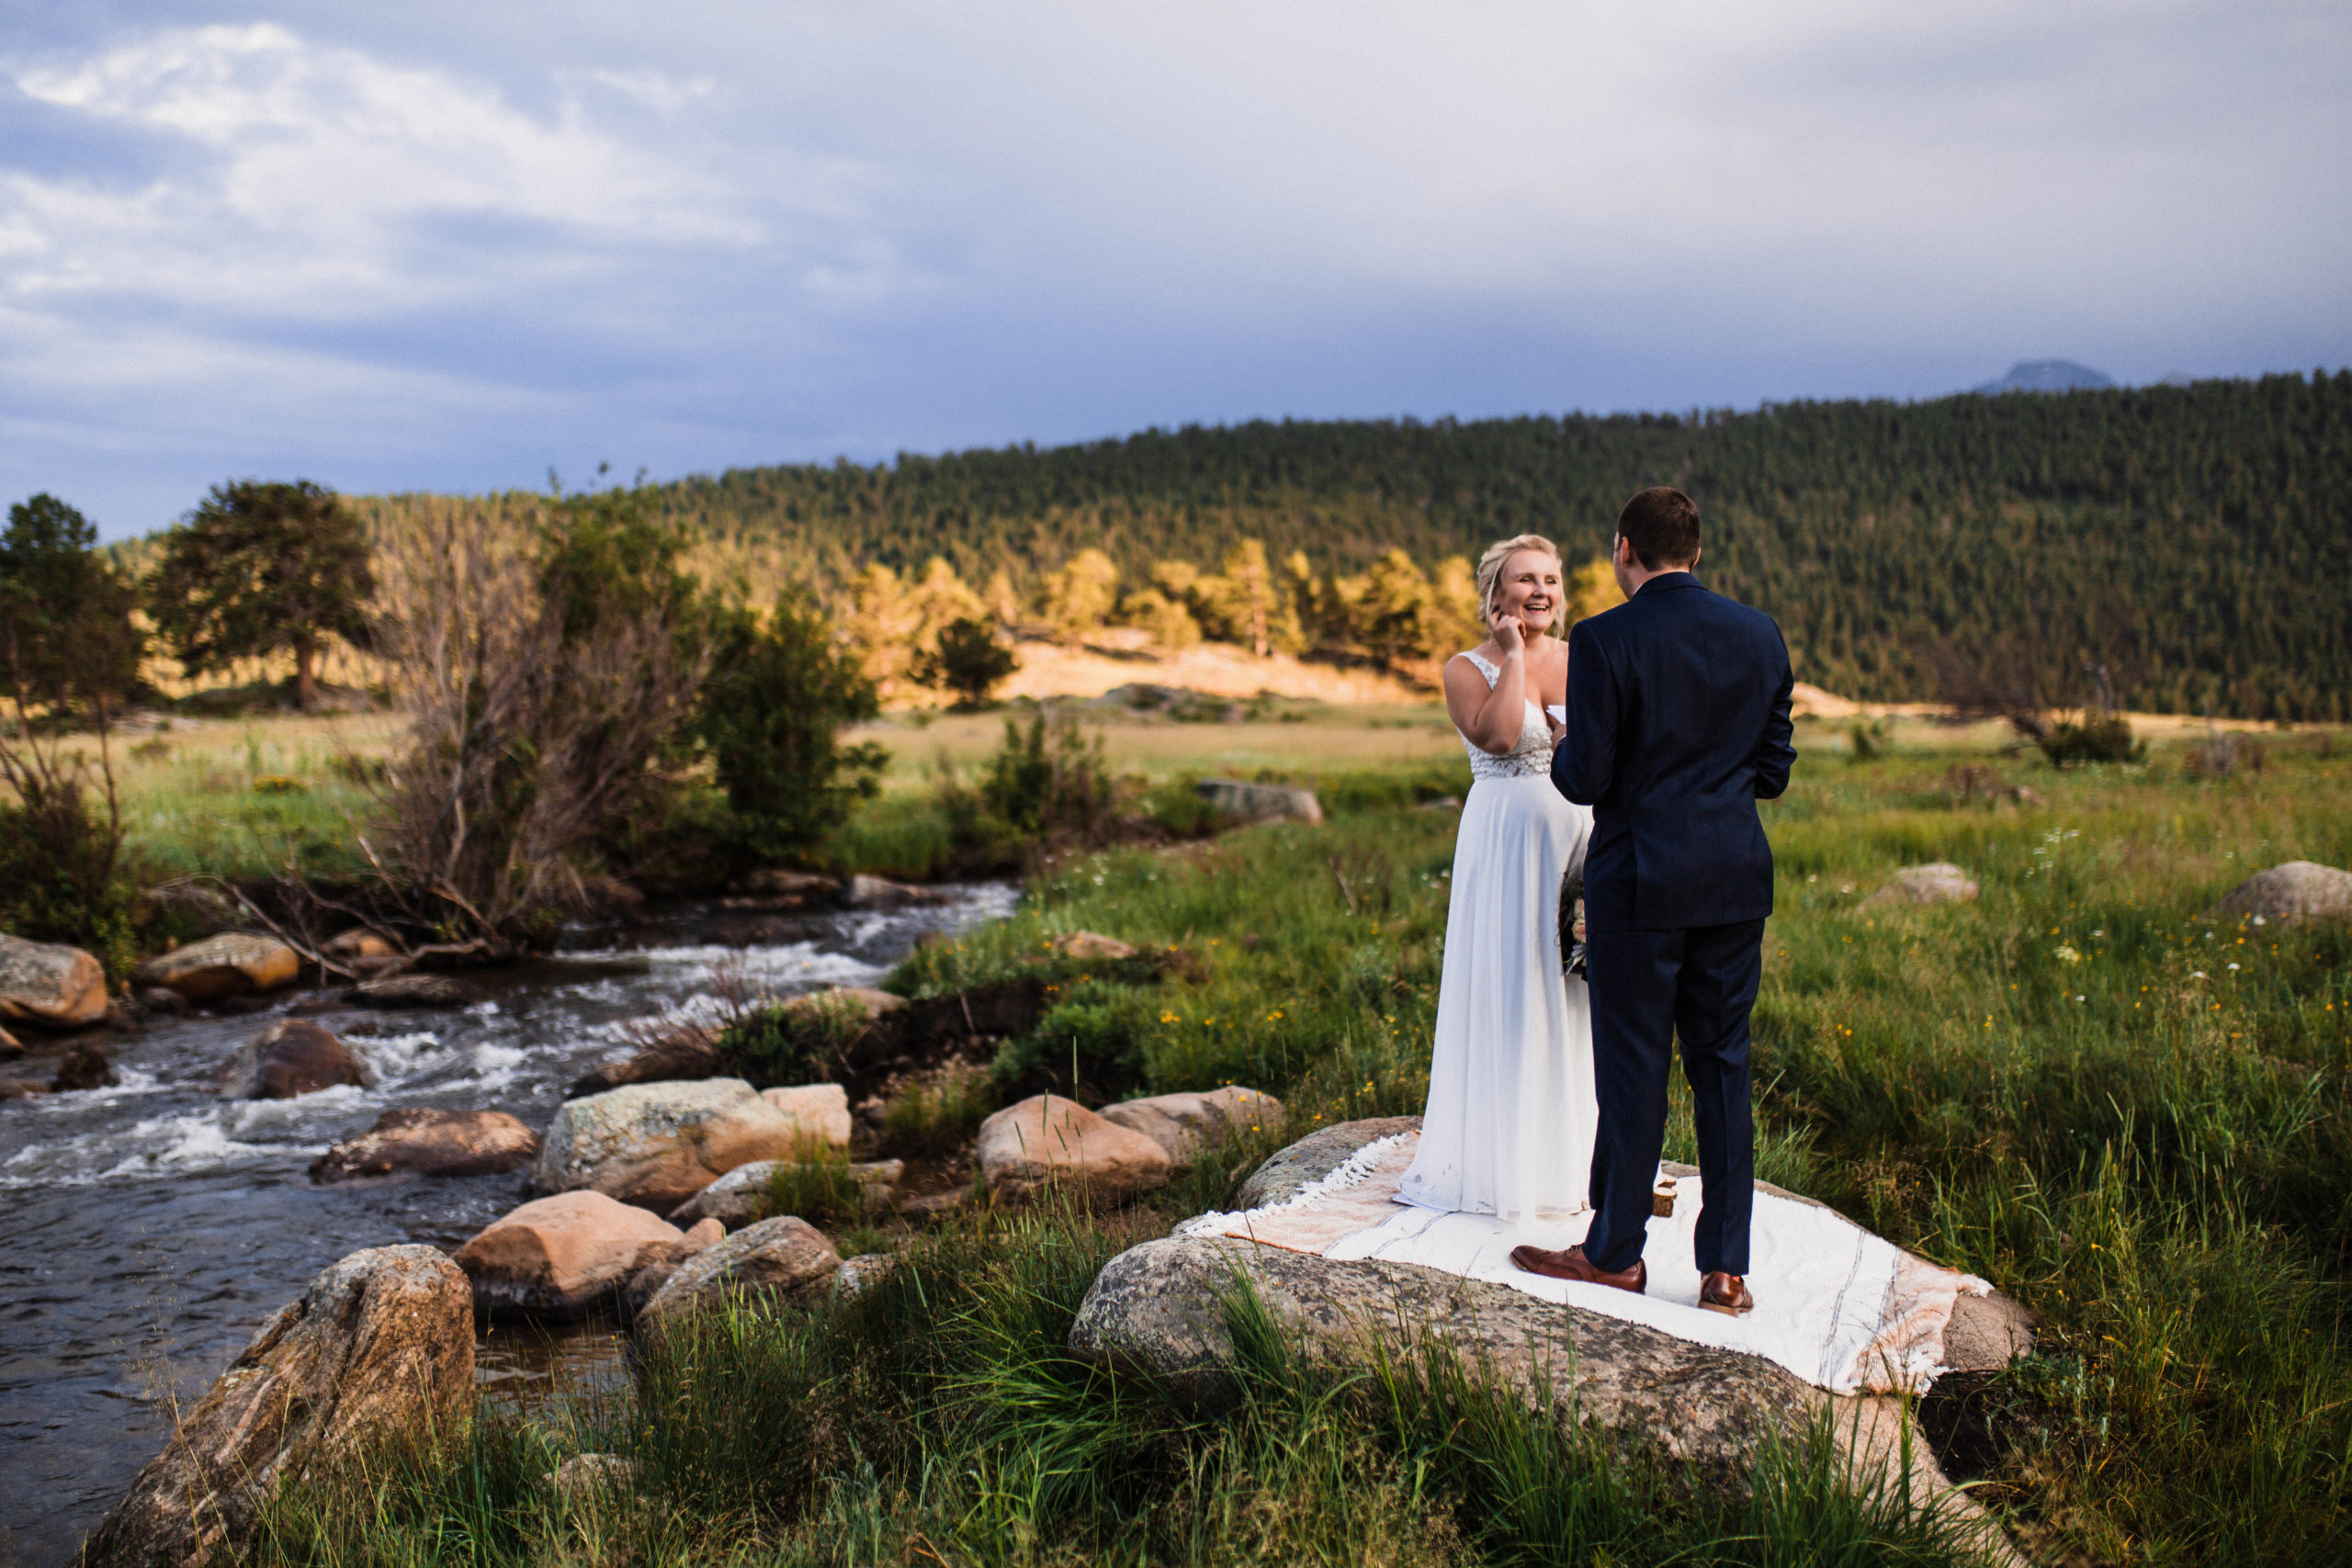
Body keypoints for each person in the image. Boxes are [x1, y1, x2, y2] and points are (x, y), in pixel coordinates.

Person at [1510, 487, 1795, 1316]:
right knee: (1724, 1067)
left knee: (1634, 1070)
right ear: (1697, 552)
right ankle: (1726, 1270)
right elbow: (1772, 772)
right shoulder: (1760, 635)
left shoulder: (1604, 639)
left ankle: (1616, 1254)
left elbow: (1587, 778)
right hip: (1734, 880)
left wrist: (1565, 747)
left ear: (1623, 548)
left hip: (1638, 881)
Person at [1396, 536, 1599, 1222]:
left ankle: (1575, 1159)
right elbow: (1504, 737)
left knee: (1573, 991)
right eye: (1524, 579)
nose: (1540, 590)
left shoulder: (1584, 660)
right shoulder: (1466, 668)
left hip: (1583, 841)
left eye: (1550, 578)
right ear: (1496, 594)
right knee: (1517, 985)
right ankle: (1506, 1162)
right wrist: (1514, 656)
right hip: (1507, 847)